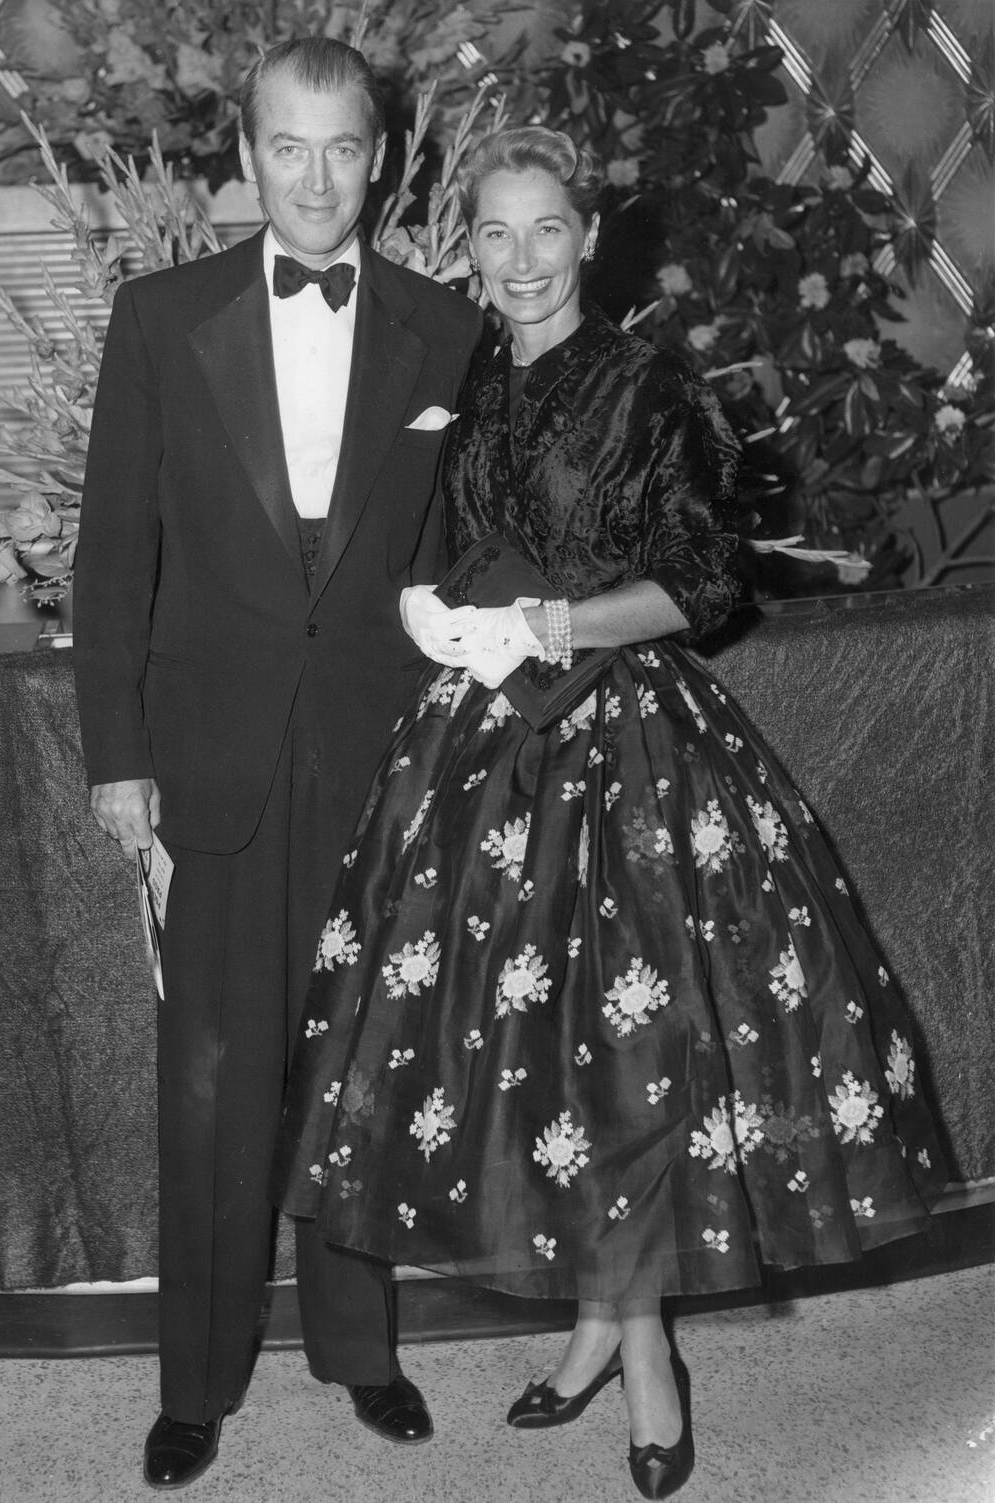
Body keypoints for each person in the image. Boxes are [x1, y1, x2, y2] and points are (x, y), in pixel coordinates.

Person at [273, 126, 947, 1500]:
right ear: (470, 244)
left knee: (625, 1059)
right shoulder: (459, 374)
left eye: (547, 231)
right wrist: (440, 611)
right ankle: (598, 1325)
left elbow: (706, 582)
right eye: (496, 235)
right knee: (530, 1059)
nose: (521, 262)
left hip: (625, 742)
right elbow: (430, 542)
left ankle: (642, 1356)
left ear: (589, 236)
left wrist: (551, 620)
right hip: (477, 743)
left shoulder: (646, 381)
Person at [72, 37, 484, 1491]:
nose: (315, 180)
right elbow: (114, 558)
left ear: (386, 159)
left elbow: (447, 562)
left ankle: (363, 1352)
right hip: (215, 766)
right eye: (287, 149)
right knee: (213, 1080)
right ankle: (197, 1380)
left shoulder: (447, 329)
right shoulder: (160, 318)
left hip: (381, 760)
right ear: (245, 159)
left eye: (344, 149)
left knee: (360, 1072)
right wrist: (117, 760)